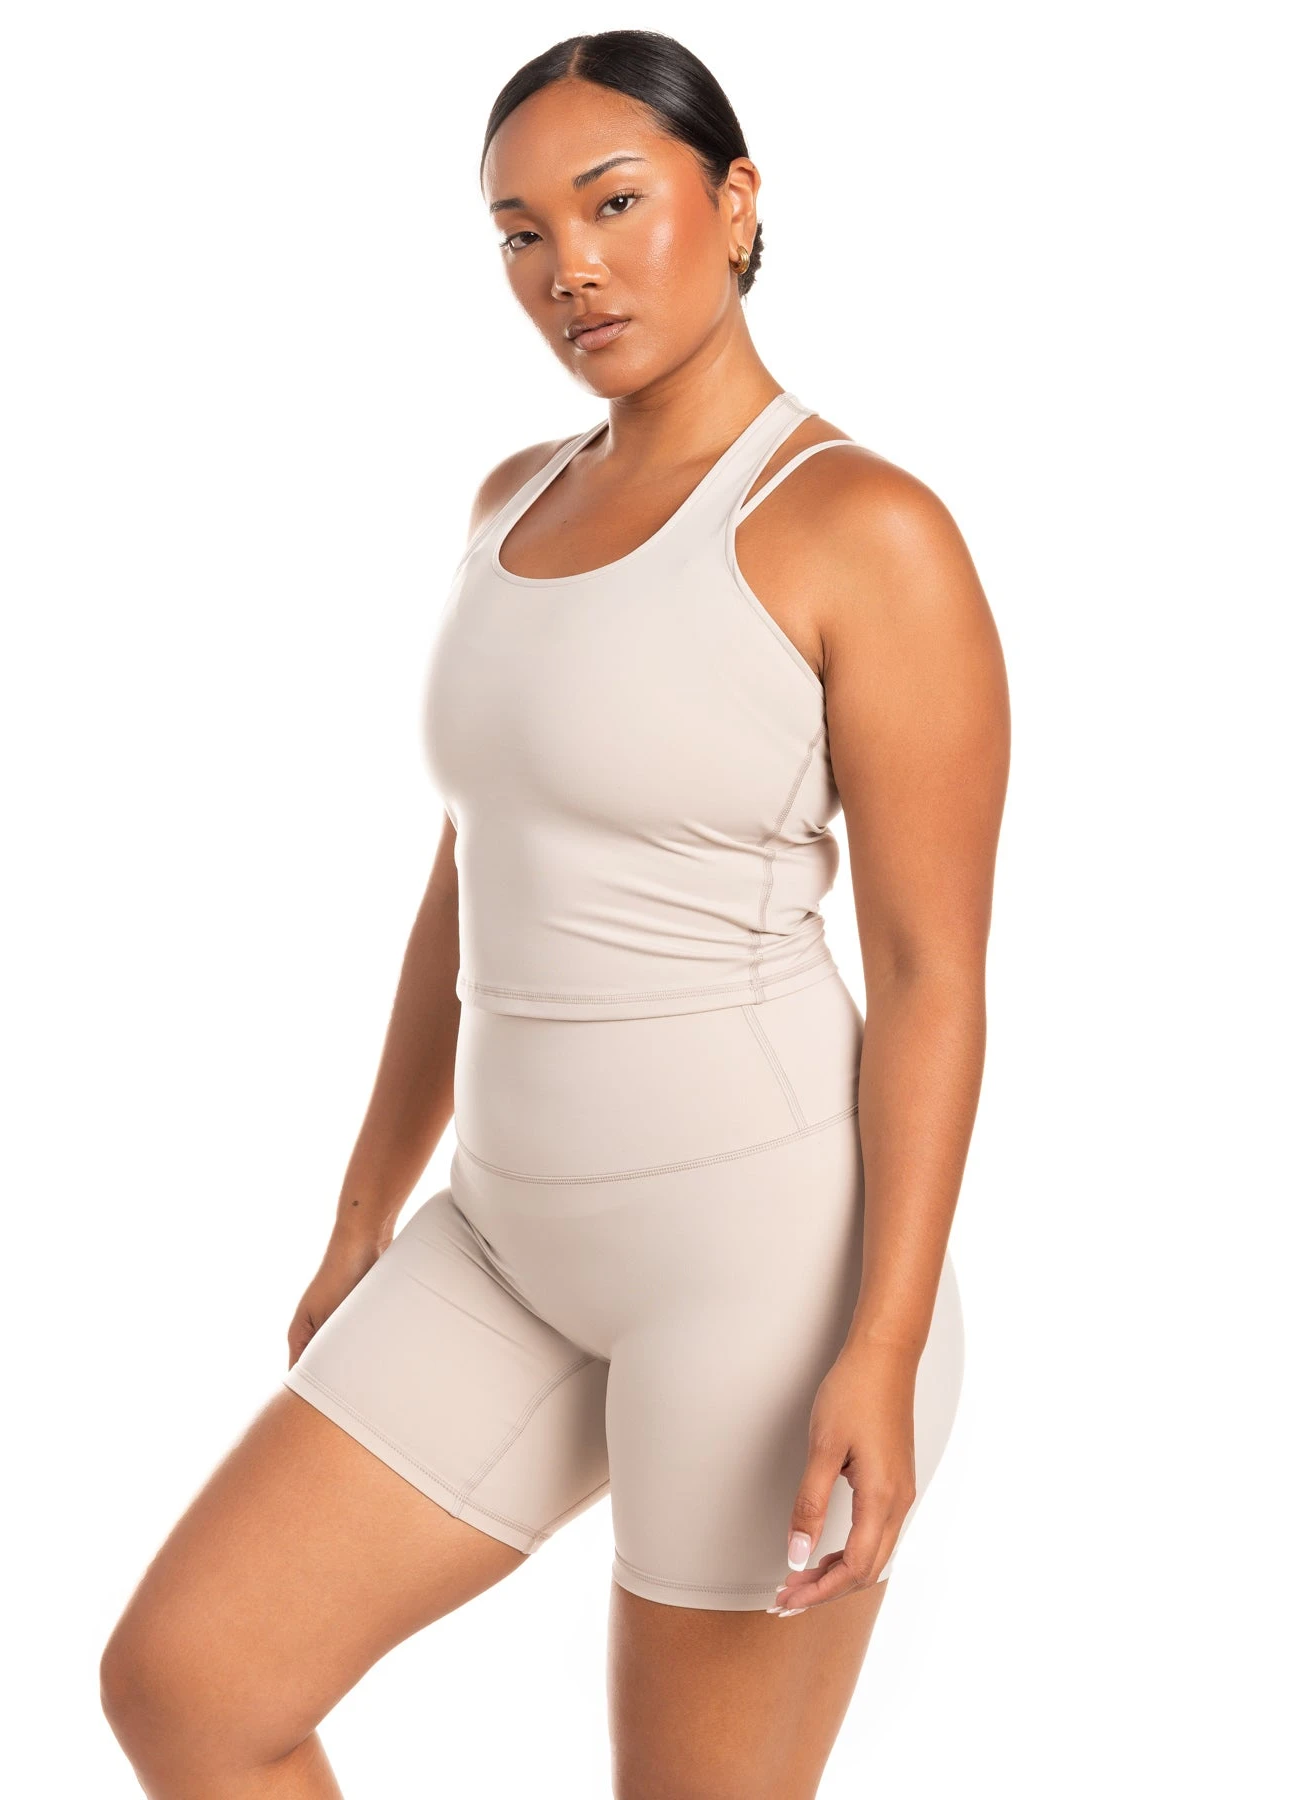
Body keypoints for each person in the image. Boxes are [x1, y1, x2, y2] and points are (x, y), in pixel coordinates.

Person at [100, 28, 1010, 1799]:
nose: (567, 269)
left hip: (765, 1276)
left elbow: (931, 973)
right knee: (189, 1689)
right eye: (520, 233)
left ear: (734, 204)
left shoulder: (863, 528)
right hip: (502, 1241)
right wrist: (363, 1213)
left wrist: (882, 1345)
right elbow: (474, 872)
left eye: (613, 205)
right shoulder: (510, 501)